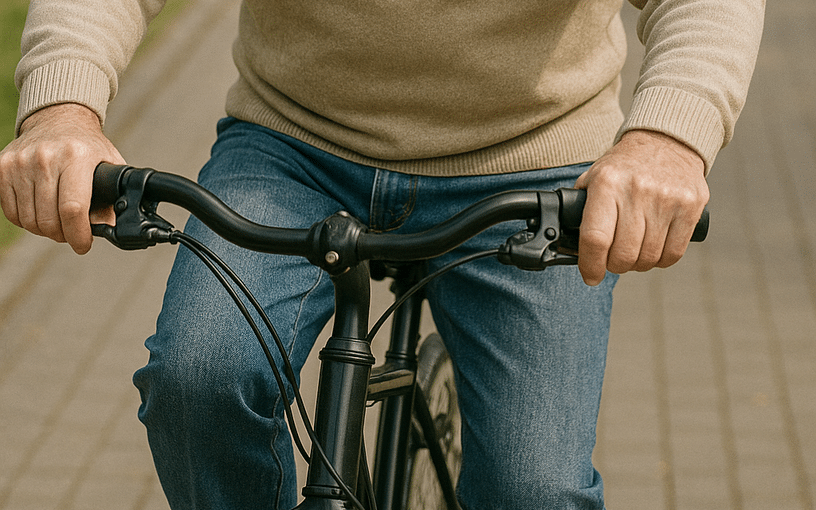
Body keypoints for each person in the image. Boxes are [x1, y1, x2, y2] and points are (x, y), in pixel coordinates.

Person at [0, 0, 764, 508]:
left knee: (535, 488)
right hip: (293, 143)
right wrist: (61, 110)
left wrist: (668, 138)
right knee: (199, 382)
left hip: (534, 156)